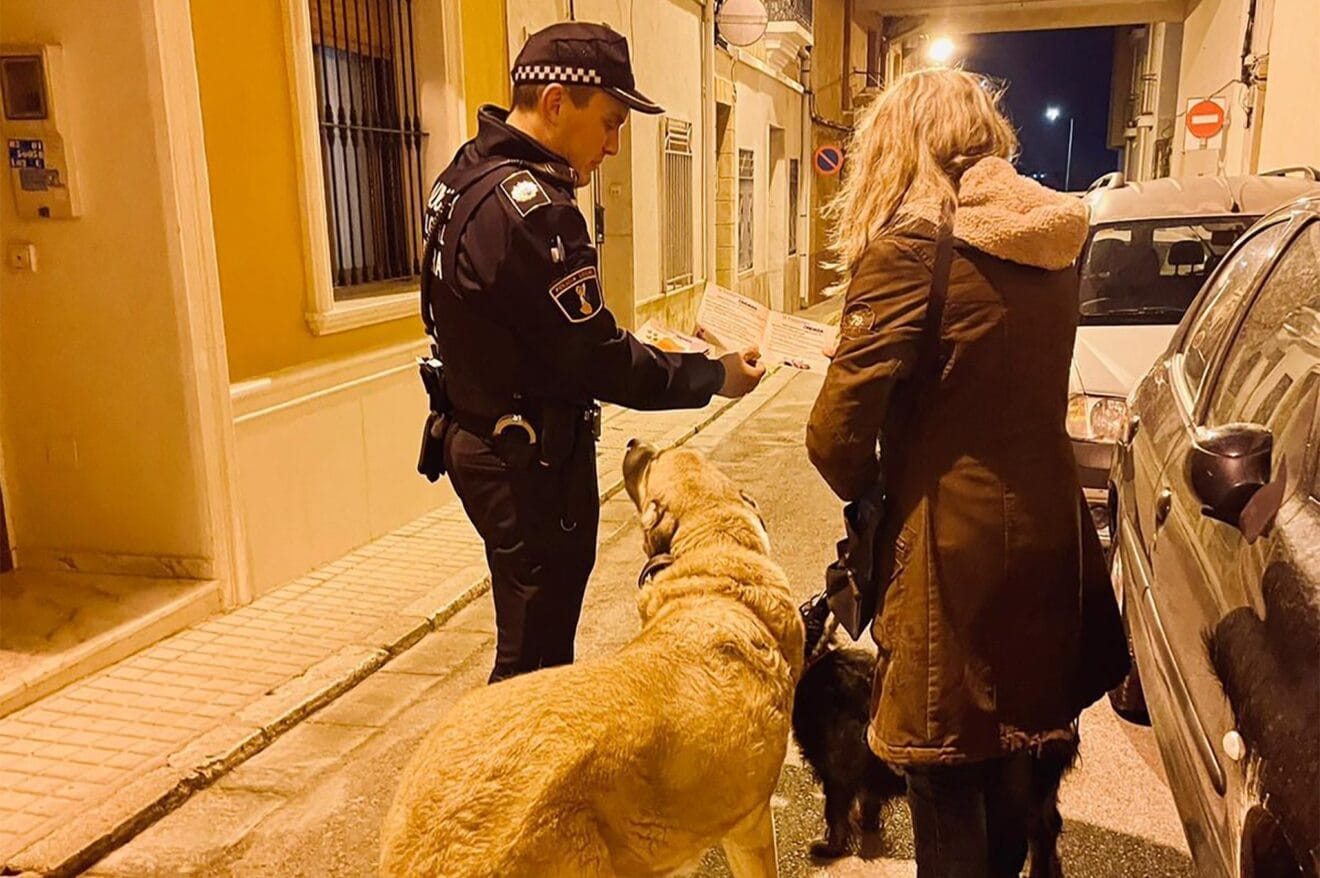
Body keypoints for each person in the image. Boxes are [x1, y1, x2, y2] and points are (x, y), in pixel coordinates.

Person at [805, 69, 1128, 877]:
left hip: (951, 552)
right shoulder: (1051, 242)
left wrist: (874, 487)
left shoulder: (913, 248)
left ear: (900, 144)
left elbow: (835, 436)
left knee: (945, 770)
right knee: (1015, 756)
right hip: (1049, 535)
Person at [418, 21, 764, 685]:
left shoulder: (466, 173)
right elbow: (597, 359)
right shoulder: (536, 212)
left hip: (480, 437)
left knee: (530, 643)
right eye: (608, 123)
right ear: (555, 102)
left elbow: (540, 331)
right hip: (529, 464)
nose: (612, 145)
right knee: (537, 666)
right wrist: (712, 374)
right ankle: (515, 756)